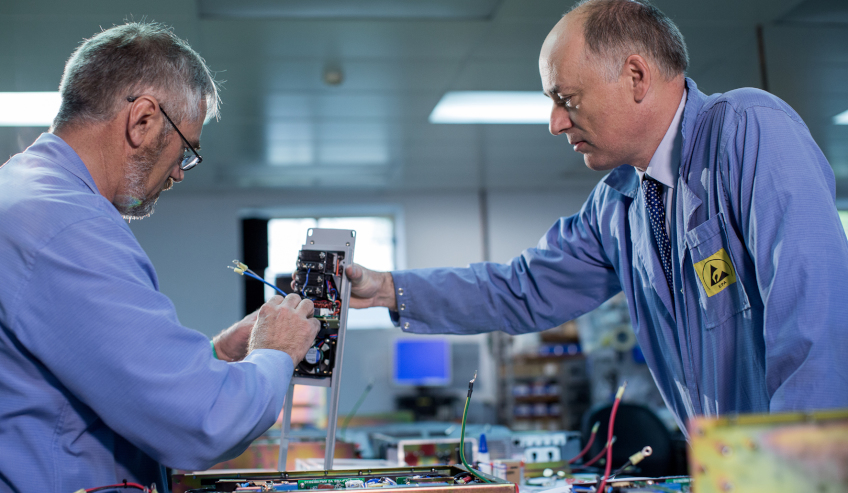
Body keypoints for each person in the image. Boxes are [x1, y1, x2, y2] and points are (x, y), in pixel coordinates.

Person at [343, 0, 848, 433]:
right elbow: (522, 288)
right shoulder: (620, 204)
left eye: (567, 98)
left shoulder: (750, 131)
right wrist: (387, 288)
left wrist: (793, 469)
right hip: (732, 468)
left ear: (635, 76)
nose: (555, 122)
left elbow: (815, 322)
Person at [0, 23, 320, 492]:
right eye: (186, 151)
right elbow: (202, 423)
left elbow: (74, 384)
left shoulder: (22, 192)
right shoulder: (66, 224)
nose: (179, 173)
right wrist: (276, 352)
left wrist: (215, 355)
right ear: (144, 119)